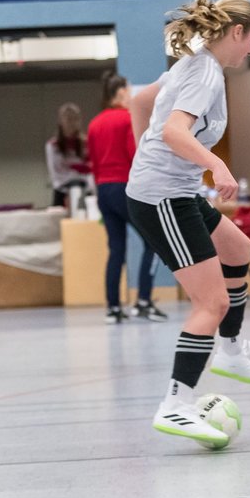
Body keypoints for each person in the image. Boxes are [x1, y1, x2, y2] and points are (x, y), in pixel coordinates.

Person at [125, 0, 250, 448]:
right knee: (211, 304)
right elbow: (171, 130)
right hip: (163, 198)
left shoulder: (192, 63)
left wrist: (145, 160)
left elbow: (138, 102)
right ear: (235, 33)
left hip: (175, 190)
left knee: (239, 249)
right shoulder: (204, 73)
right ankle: (175, 403)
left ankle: (229, 352)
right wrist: (217, 165)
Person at [87, 71, 164, 323]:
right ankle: (143, 301)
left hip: (104, 191)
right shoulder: (126, 119)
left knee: (116, 250)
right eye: (128, 90)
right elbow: (135, 156)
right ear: (120, 92)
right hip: (125, 187)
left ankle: (113, 307)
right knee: (153, 242)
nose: (131, 95)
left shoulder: (94, 124)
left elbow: (94, 163)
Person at [45, 102, 91, 208]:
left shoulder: (86, 143)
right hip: (61, 191)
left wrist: (74, 169)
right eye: (68, 119)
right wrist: (78, 170)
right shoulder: (53, 145)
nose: (71, 123)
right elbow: (56, 173)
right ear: (61, 121)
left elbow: (91, 168)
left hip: (83, 189)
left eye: (75, 119)